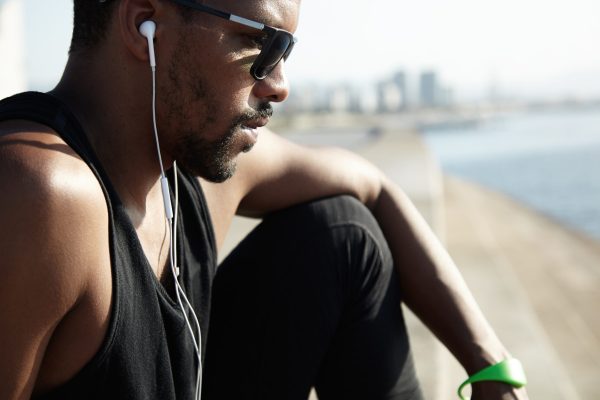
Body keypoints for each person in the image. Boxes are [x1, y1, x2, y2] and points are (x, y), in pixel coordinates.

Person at [0, 0, 529, 399]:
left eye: (288, 51)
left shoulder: (196, 169)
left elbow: (373, 184)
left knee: (343, 234)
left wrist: (491, 367)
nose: (280, 85)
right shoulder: (37, 193)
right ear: (145, 25)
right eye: (265, 45)